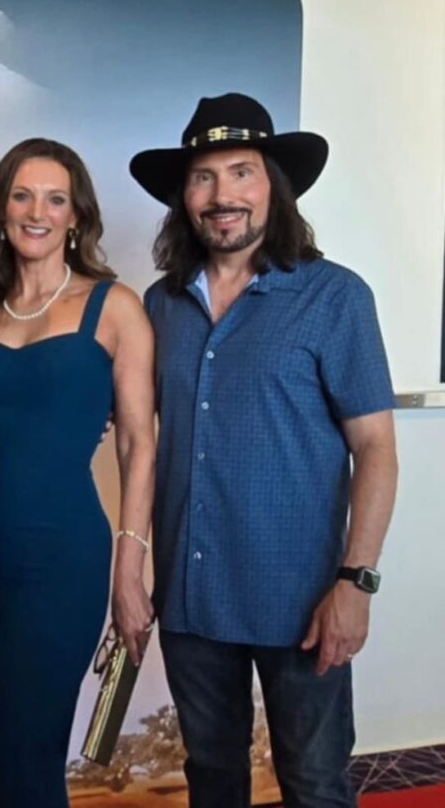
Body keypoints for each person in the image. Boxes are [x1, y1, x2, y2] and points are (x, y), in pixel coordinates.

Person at [132, 93, 398, 807]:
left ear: (273, 187)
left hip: (303, 601)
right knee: (212, 779)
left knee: (314, 784)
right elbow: (135, 437)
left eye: (241, 172)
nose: (223, 196)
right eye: (203, 177)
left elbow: (376, 448)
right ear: (184, 198)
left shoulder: (335, 297)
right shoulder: (160, 306)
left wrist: (356, 582)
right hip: (191, 600)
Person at [0, 138, 156, 807]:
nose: (38, 211)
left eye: (55, 198)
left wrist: (130, 567)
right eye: (22, 195)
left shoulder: (114, 306)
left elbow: (137, 445)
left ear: (76, 216)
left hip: (60, 561)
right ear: (1, 209)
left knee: (30, 762)